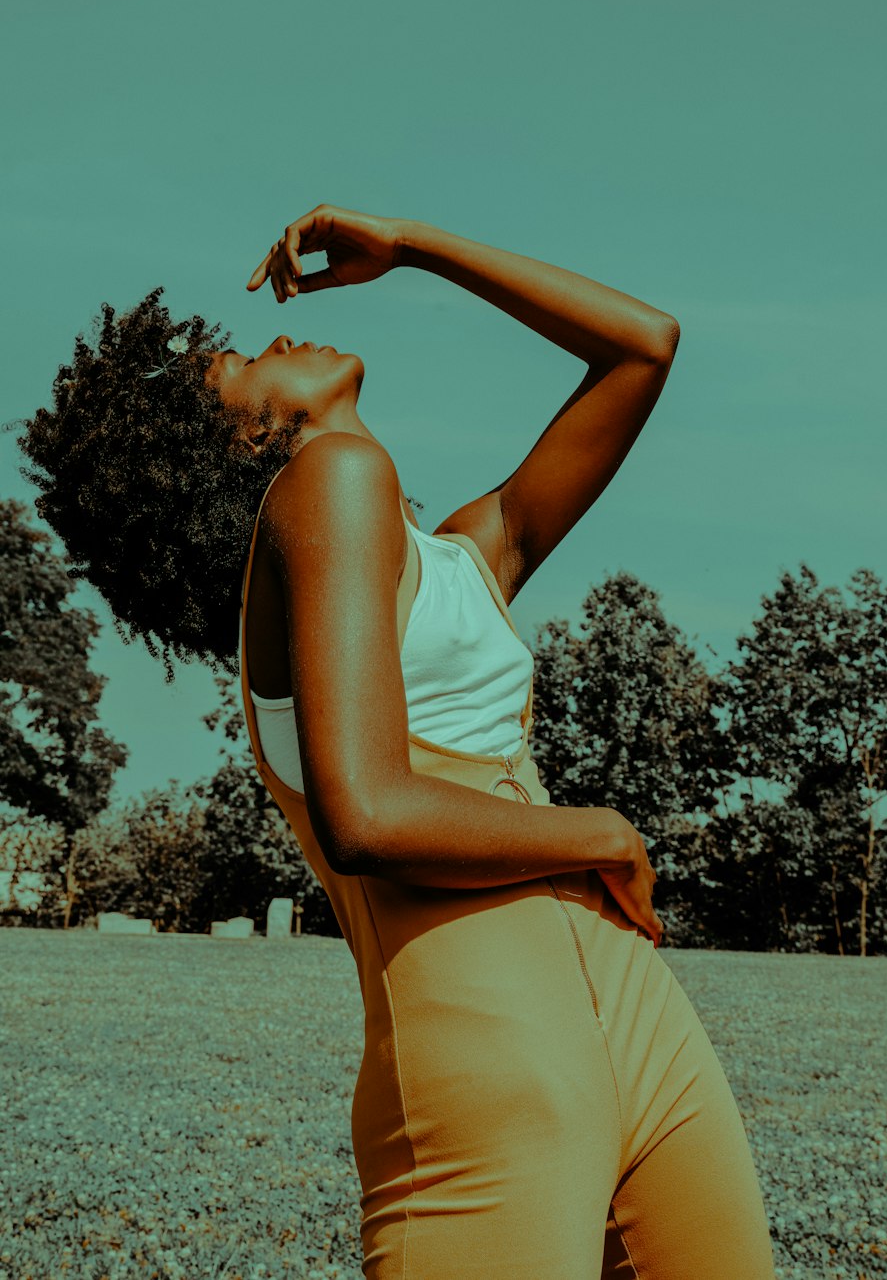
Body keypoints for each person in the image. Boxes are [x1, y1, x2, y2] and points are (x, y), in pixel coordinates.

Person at [20, 205, 776, 1279]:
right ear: (228, 447)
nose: (273, 338)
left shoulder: (463, 551)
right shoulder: (325, 480)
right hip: (487, 1046)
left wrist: (416, 249)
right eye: (234, 364)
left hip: (641, 1026)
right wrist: (600, 831)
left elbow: (641, 346)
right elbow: (367, 811)